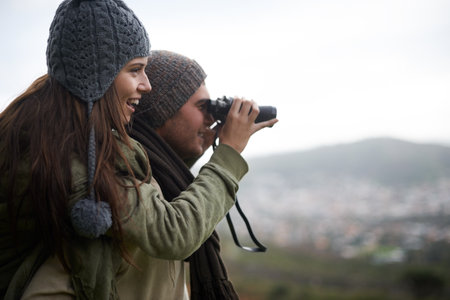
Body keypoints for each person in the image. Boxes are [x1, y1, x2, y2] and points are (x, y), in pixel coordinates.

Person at [0, 1, 270, 300]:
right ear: (97, 75)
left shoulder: (40, 129)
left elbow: (164, 180)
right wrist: (229, 151)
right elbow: (172, 232)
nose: (147, 85)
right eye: (136, 70)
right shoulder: (76, 156)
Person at [128, 50, 278, 299]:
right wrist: (229, 152)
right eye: (201, 106)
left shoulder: (159, 173)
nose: (210, 117)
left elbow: (173, 173)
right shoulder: (126, 170)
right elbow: (179, 231)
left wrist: (204, 141)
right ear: (162, 111)